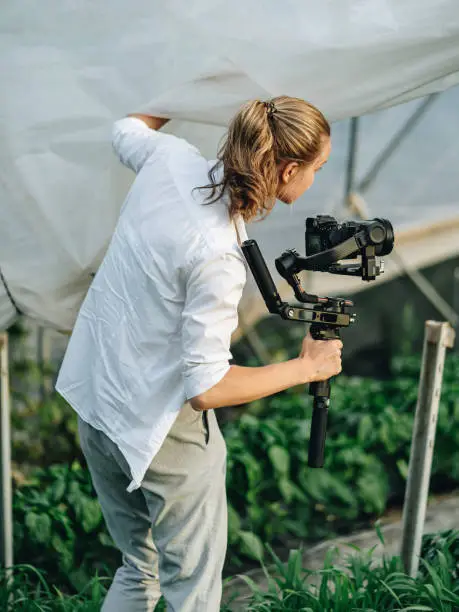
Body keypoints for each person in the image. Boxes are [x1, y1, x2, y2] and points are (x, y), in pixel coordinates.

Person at [56, 96, 342, 612]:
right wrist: (307, 368)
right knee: (193, 592)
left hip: (97, 400)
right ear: (289, 170)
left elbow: (125, 127)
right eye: (317, 169)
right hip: (160, 428)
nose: (316, 180)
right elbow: (207, 387)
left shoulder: (171, 161)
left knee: (139, 569)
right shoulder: (217, 255)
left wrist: (182, 86)